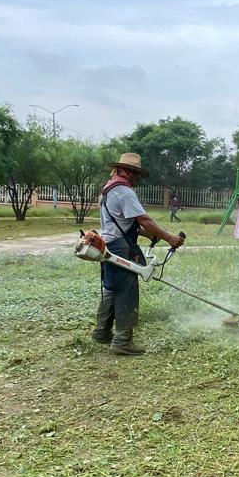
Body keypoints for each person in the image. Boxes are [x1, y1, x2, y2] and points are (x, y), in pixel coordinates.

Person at [94, 153, 185, 356]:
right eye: (137, 175)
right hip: (120, 248)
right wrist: (170, 238)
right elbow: (143, 220)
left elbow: (127, 223)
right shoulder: (124, 191)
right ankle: (122, 341)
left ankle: (102, 332)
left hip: (108, 244)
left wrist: (151, 235)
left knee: (111, 288)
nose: (138, 180)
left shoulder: (108, 190)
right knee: (126, 290)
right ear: (127, 171)